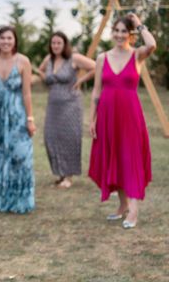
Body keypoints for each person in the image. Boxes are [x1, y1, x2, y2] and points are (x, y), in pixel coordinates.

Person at [88, 14, 155, 229]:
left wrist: (139, 23)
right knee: (113, 157)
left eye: (123, 31)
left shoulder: (137, 55)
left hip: (130, 116)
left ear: (130, 34)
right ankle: (122, 205)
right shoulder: (102, 58)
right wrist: (92, 119)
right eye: (116, 30)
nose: (119, 34)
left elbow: (152, 43)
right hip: (107, 115)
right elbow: (96, 91)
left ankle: (133, 211)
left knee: (130, 157)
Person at [0, 26, 36, 214]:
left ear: (15, 41)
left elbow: (27, 93)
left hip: (17, 115)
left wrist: (30, 118)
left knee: (20, 157)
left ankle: (20, 201)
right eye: (2, 38)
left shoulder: (23, 61)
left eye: (9, 38)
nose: (6, 42)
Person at [37, 31, 95, 188]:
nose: (55, 46)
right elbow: (40, 71)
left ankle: (68, 176)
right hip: (53, 104)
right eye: (53, 43)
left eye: (59, 43)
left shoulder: (74, 58)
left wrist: (81, 80)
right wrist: (43, 78)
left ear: (64, 44)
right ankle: (60, 174)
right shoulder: (48, 59)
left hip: (71, 104)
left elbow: (96, 67)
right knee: (50, 137)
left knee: (68, 138)